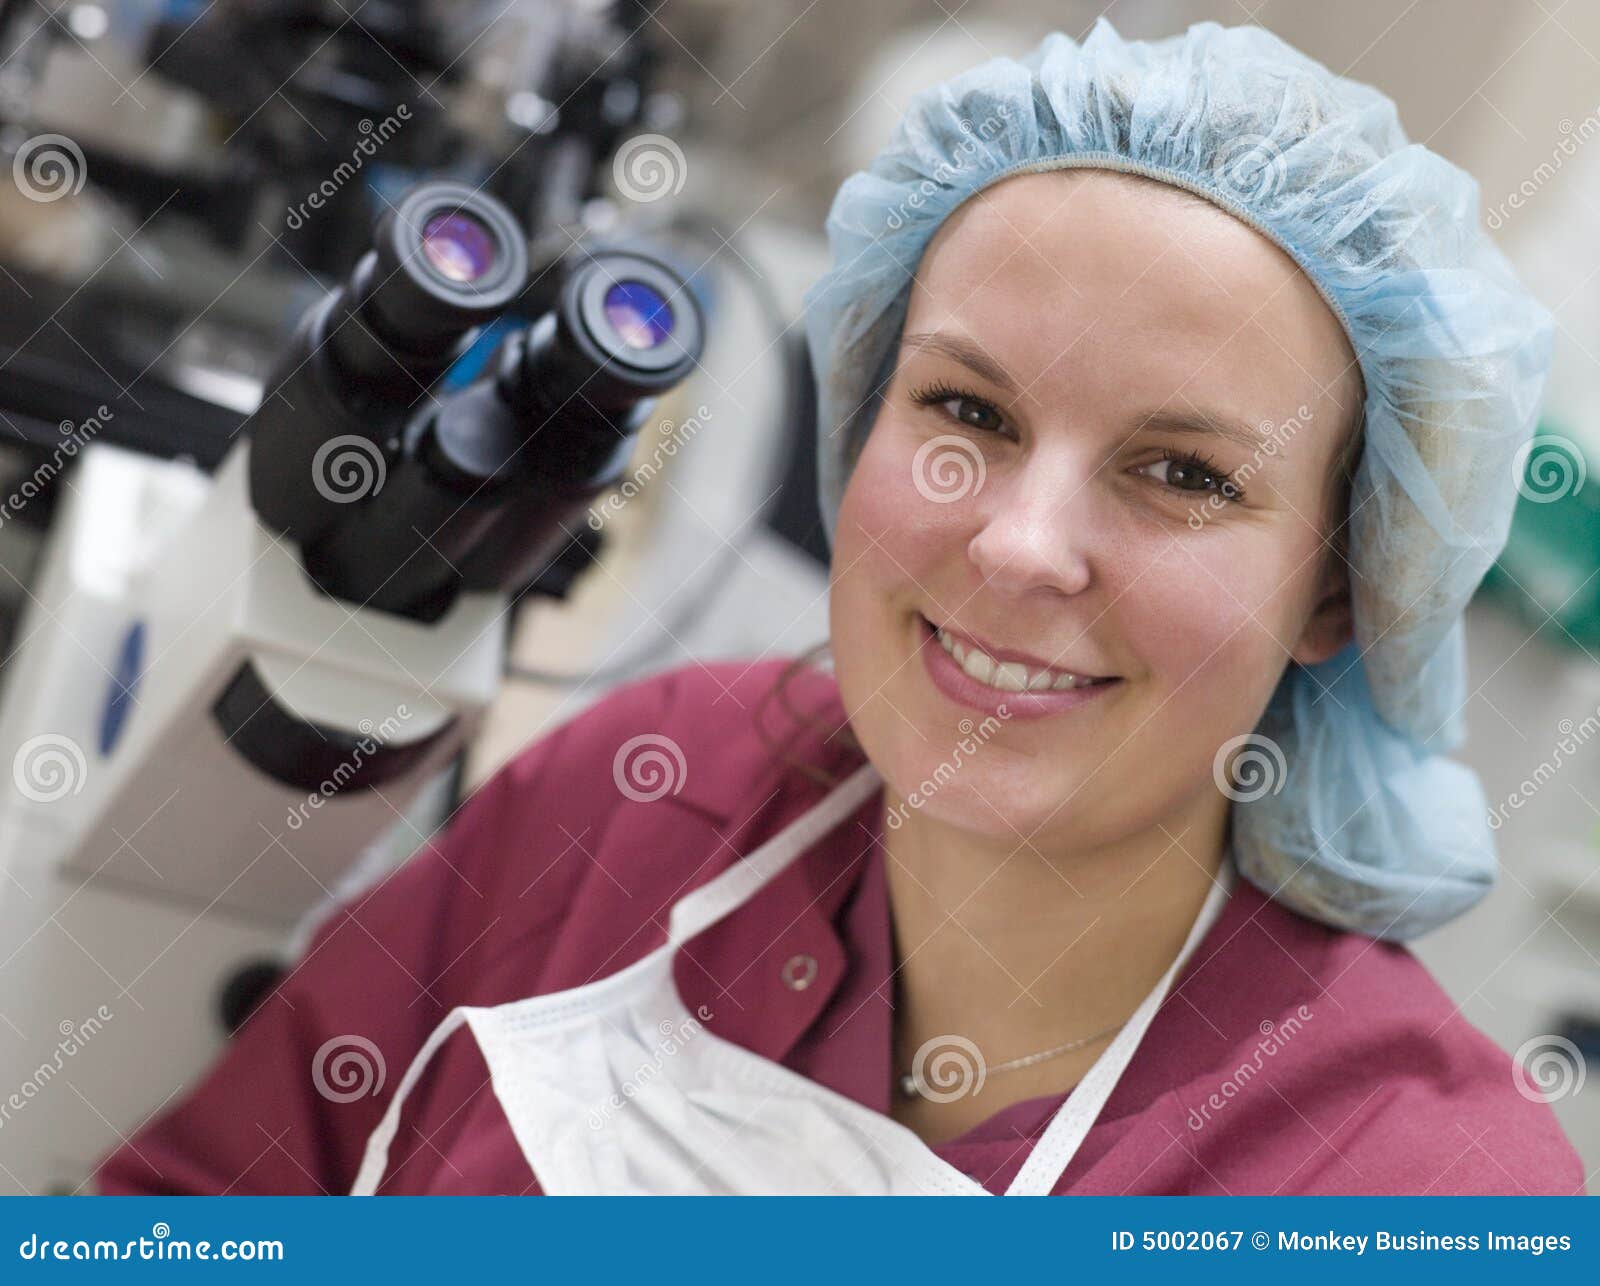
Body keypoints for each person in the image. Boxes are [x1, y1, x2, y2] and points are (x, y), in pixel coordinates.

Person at [94, 18, 1585, 1196]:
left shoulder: (1421, 1187)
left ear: (1337, 587)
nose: (1020, 546)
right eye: (967, 411)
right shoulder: (654, 788)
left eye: (1183, 471)